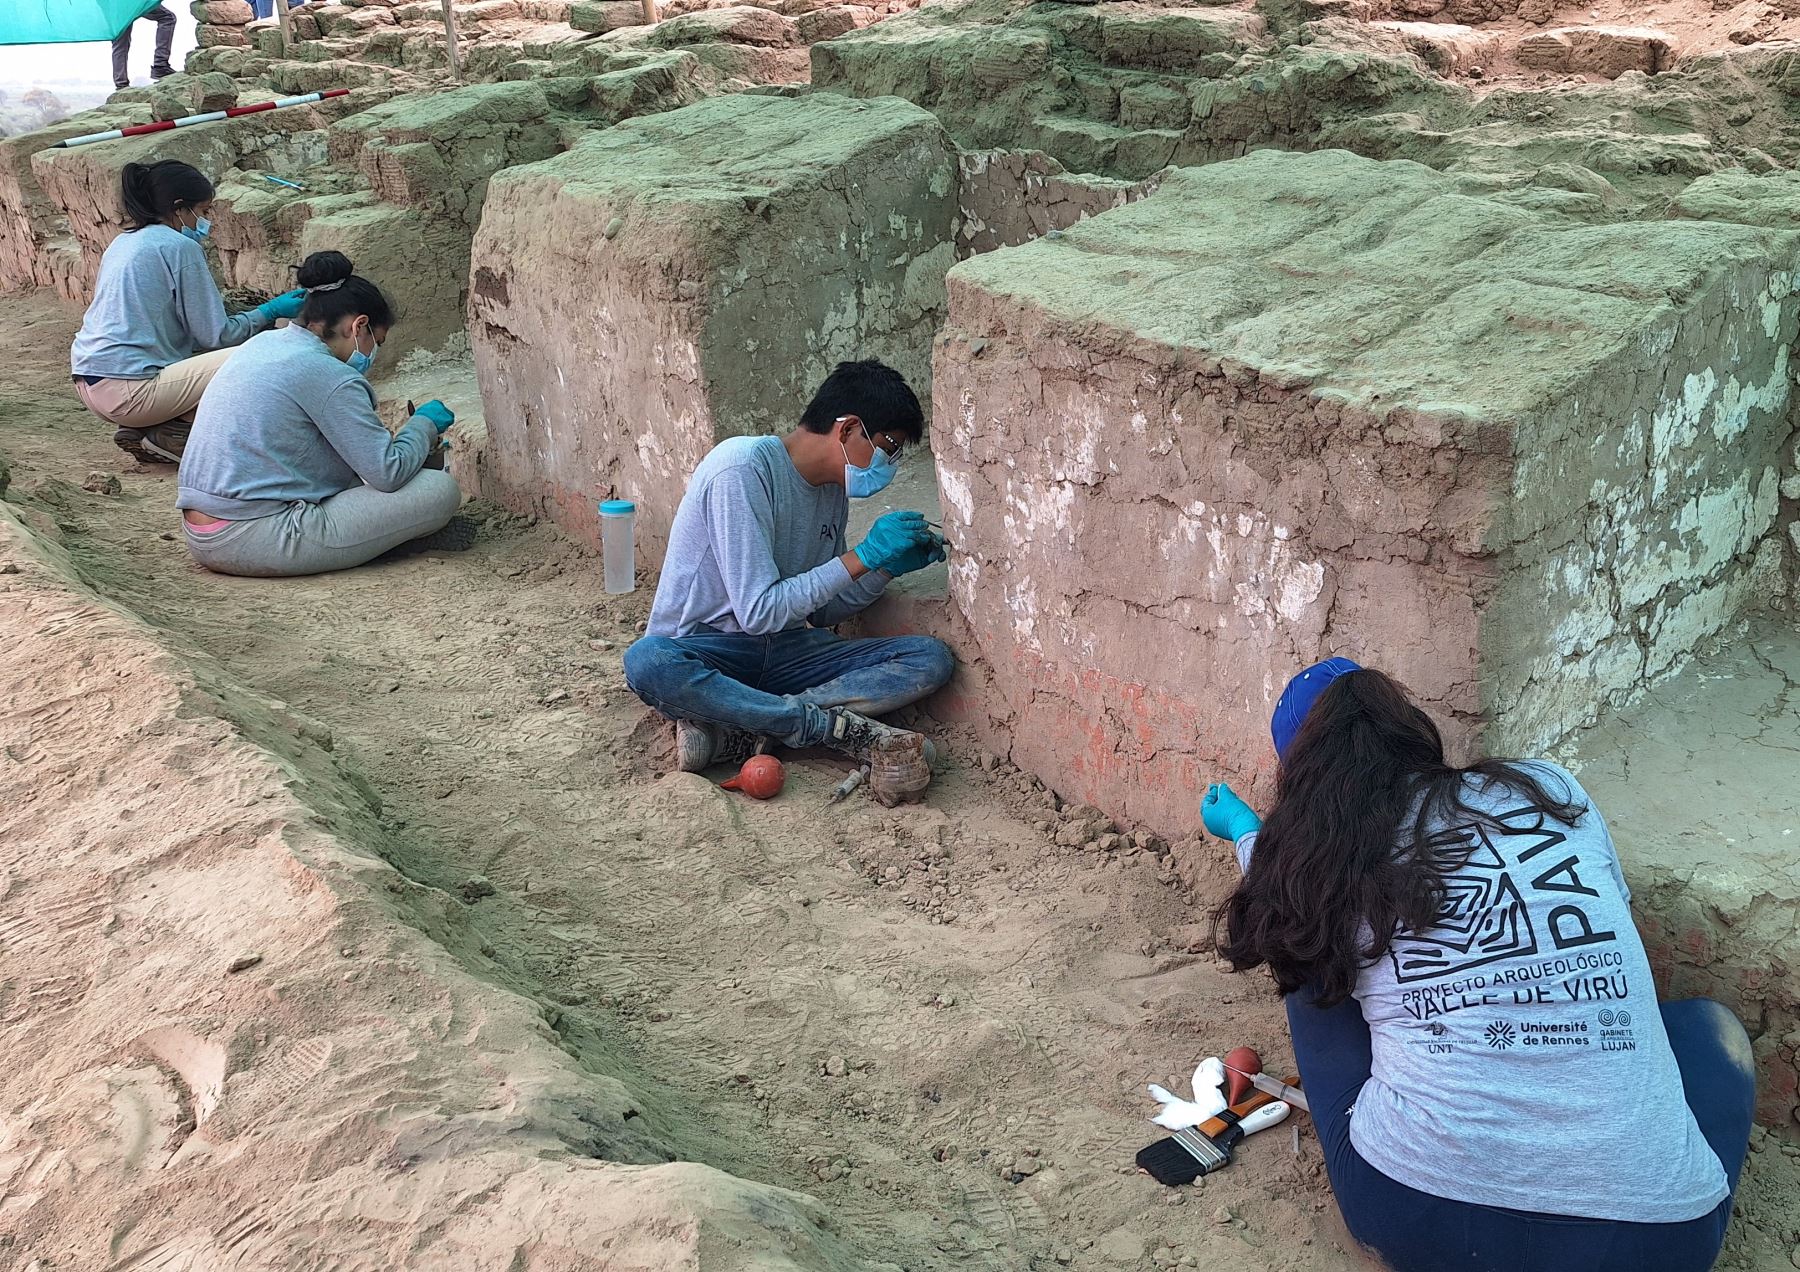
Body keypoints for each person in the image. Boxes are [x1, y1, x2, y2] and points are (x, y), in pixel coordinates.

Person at [1201, 660, 1755, 1272]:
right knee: (1710, 1031)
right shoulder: (1545, 788)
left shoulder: (1325, 861)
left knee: (1304, 947)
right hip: (1657, 1245)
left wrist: (1248, 834)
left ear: (1304, 776)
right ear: (1411, 731)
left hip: (1424, 1217)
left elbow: (1281, 910)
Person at [624, 359, 955, 772]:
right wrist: (861, 557)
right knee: (648, 661)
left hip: (787, 652)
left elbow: (821, 610)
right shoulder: (741, 470)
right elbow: (758, 613)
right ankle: (813, 725)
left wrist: (884, 569)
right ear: (849, 428)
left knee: (929, 657)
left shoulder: (832, 492)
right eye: (889, 447)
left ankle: (746, 722)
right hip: (712, 652)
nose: (890, 463)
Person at [175, 251, 464, 577]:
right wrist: (423, 426)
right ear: (359, 326)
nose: (373, 353)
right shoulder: (329, 374)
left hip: (202, 530)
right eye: (376, 342)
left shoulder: (265, 343)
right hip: (255, 537)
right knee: (439, 490)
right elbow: (389, 472)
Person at [70, 160, 306, 464]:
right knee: (262, 353)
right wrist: (270, 311)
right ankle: (174, 429)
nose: (206, 221)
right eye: (204, 211)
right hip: (130, 390)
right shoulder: (179, 247)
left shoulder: (123, 242)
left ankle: (159, 426)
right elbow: (217, 336)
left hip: (92, 385)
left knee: (202, 365)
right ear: (180, 208)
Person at [111, 3, 177, 91]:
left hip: (113, 5)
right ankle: (160, 65)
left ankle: (121, 84)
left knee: (120, 42)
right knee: (167, 18)